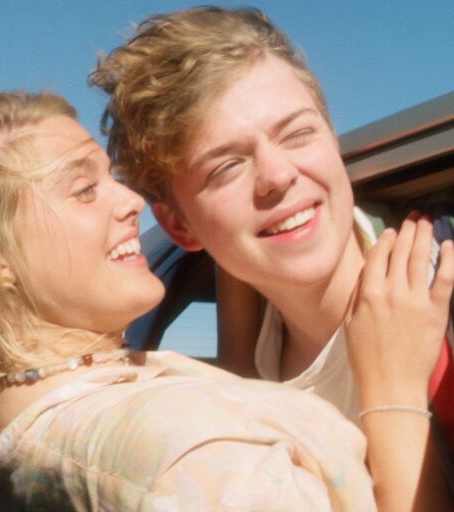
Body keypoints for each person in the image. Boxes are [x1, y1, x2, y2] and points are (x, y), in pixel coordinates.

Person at [0, 90, 453, 510]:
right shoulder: (180, 461)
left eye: (111, 178)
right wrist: (395, 390)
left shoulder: (20, 418)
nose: (131, 202)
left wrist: (232, 249)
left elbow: (231, 387)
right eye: (84, 190)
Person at [90, 6, 454, 509]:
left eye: (298, 134)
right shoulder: (251, 373)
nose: (278, 175)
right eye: (226, 167)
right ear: (179, 227)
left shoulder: (441, 294)